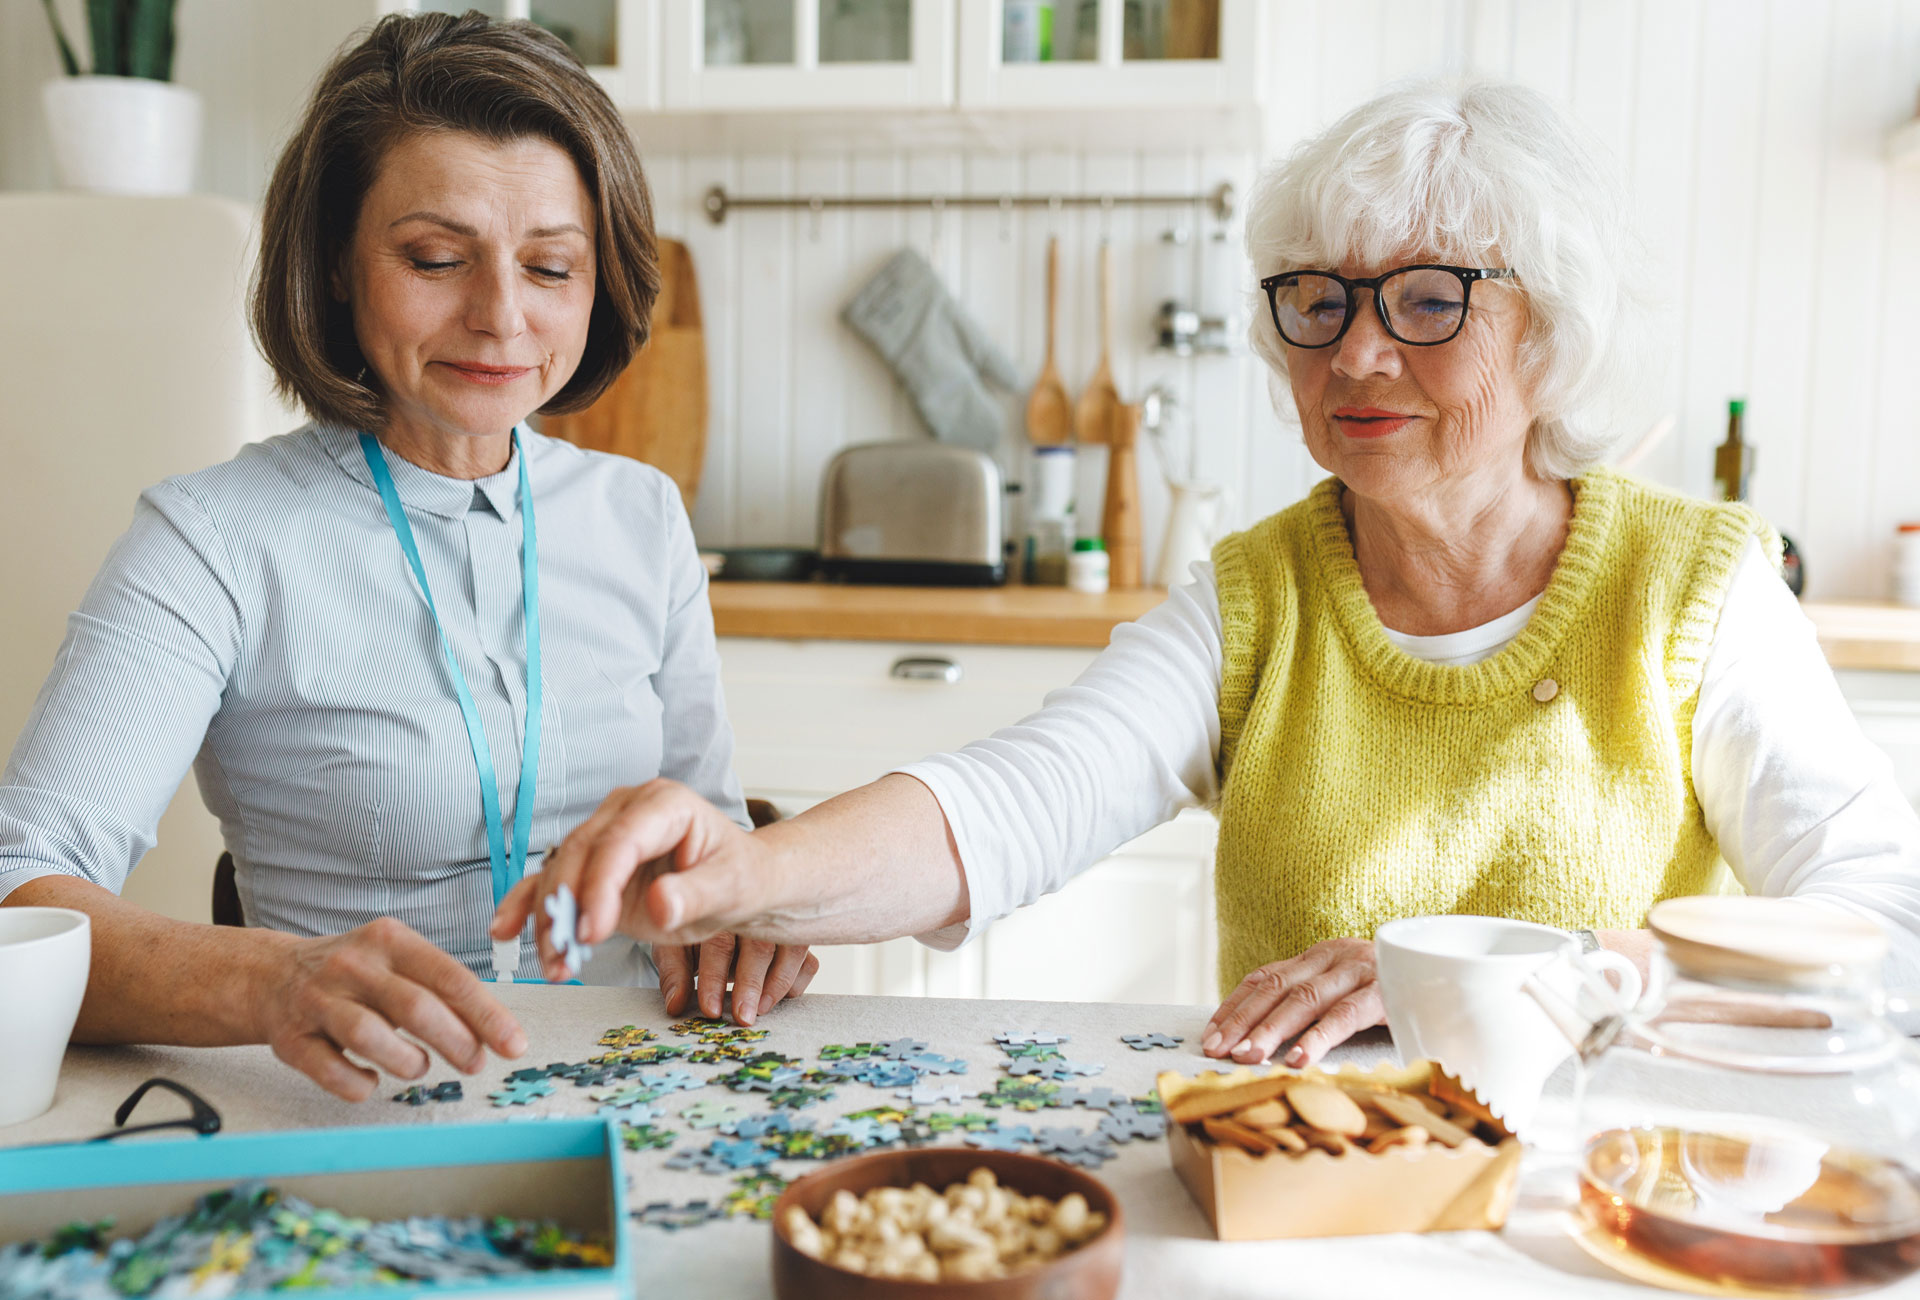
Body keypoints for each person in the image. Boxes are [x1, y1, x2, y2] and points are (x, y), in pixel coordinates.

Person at [501, 80, 1920, 1066]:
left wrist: (1545, 973)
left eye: (1431, 299)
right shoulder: (1259, 596)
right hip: (1299, 1184)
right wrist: (740, 872)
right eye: (1321, 298)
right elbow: (1015, 801)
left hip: (1593, 1204)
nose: (1356, 353)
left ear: (1547, 334)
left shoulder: (1698, 590)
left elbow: (1885, 926)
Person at [0, 12, 813, 1103]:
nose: (501, 317)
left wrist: (743, 918)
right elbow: (16, 892)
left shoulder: (644, 516)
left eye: (551, 266)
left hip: (639, 1097)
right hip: (344, 1104)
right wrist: (275, 978)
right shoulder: (213, 539)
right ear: (338, 262)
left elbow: (707, 846)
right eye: (436, 257)